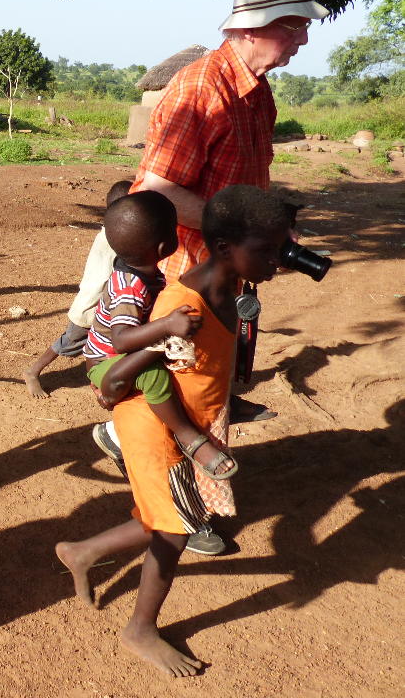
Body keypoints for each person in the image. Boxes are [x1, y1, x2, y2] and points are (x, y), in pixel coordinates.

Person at [56, 185, 293, 678]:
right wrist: (113, 387)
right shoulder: (183, 305)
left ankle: (83, 552)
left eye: (281, 248)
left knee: (165, 515)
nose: (278, 260)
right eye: (268, 250)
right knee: (177, 528)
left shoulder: (227, 283)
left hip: (187, 422)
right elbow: (125, 368)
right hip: (156, 427)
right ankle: (140, 629)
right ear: (225, 248)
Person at [132, 0, 327, 423]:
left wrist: (272, 229)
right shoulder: (201, 89)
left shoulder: (258, 93)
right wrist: (248, 236)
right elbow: (158, 192)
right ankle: (129, 439)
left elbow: (246, 183)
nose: (303, 40)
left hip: (225, 271)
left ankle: (211, 413)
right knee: (178, 396)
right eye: (294, 27)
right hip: (188, 276)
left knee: (209, 379)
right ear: (253, 27)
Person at [82, 191, 237, 480]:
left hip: (123, 355)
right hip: (106, 361)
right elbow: (121, 340)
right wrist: (166, 325)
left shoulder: (146, 273)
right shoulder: (130, 287)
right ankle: (190, 437)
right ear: (165, 246)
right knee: (154, 375)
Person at [24, 180, 131, 398]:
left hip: (103, 305)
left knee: (104, 344)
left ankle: (101, 381)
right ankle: (33, 371)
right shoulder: (115, 239)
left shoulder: (111, 233)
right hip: (91, 305)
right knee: (68, 342)